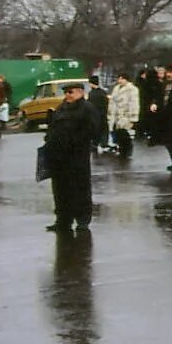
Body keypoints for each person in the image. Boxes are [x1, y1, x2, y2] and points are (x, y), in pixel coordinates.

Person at [42, 81, 96, 232]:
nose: (67, 95)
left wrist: (74, 141)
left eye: (70, 92)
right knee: (60, 190)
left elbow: (91, 130)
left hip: (76, 156)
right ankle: (63, 220)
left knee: (79, 188)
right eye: (66, 92)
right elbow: (53, 126)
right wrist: (49, 139)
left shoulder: (86, 109)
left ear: (80, 92)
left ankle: (82, 220)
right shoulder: (62, 107)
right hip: (58, 156)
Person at [107, 73, 140, 159]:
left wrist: (133, 117)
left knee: (124, 134)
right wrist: (110, 113)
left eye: (122, 79)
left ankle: (127, 151)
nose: (120, 80)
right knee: (117, 134)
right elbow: (112, 102)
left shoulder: (132, 89)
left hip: (126, 115)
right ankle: (121, 150)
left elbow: (134, 103)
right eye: (119, 78)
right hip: (115, 115)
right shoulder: (116, 88)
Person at [86, 75, 110, 153]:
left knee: (96, 130)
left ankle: (95, 144)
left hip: (95, 115)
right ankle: (104, 144)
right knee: (104, 129)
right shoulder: (103, 92)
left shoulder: (92, 93)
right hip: (103, 114)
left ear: (91, 83)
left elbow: (90, 105)